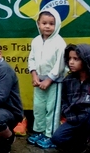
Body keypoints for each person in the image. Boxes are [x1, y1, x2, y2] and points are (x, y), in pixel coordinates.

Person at [27, 8, 66, 149]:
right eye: (44, 23)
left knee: (52, 109)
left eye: (51, 23)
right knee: (38, 108)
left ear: (57, 25)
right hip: (39, 82)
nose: (47, 26)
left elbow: (60, 65)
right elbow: (31, 58)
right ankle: (39, 131)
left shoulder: (60, 43)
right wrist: (34, 75)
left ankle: (50, 135)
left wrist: (49, 80)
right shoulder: (36, 41)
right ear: (38, 24)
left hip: (54, 83)